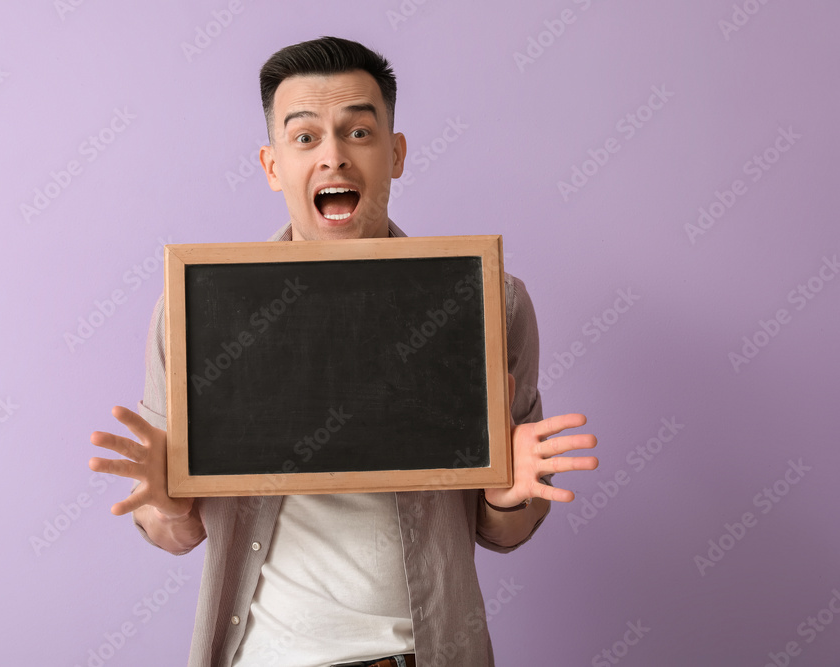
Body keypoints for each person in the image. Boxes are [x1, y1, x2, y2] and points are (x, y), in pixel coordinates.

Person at [89, 36, 598, 667]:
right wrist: (166, 504)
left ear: (397, 153)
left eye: (359, 131)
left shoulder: (490, 304)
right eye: (304, 137)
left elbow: (504, 532)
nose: (333, 155)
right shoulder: (196, 310)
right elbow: (176, 534)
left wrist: (506, 492)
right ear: (273, 164)